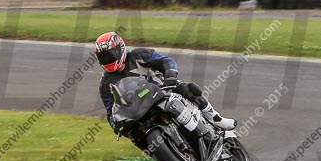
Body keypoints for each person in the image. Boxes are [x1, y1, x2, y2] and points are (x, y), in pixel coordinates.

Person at [94, 31, 236, 134]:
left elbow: (165, 61)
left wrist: (170, 76)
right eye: (103, 56)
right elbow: (110, 111)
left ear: (120, 48)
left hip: (162, 91)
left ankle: (217, 118)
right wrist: (116, 126)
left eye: (110, 54)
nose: (107, 59)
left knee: (187, 88)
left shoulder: (138, 55)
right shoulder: (106, 84)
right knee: (135, 135)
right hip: (139, 110)